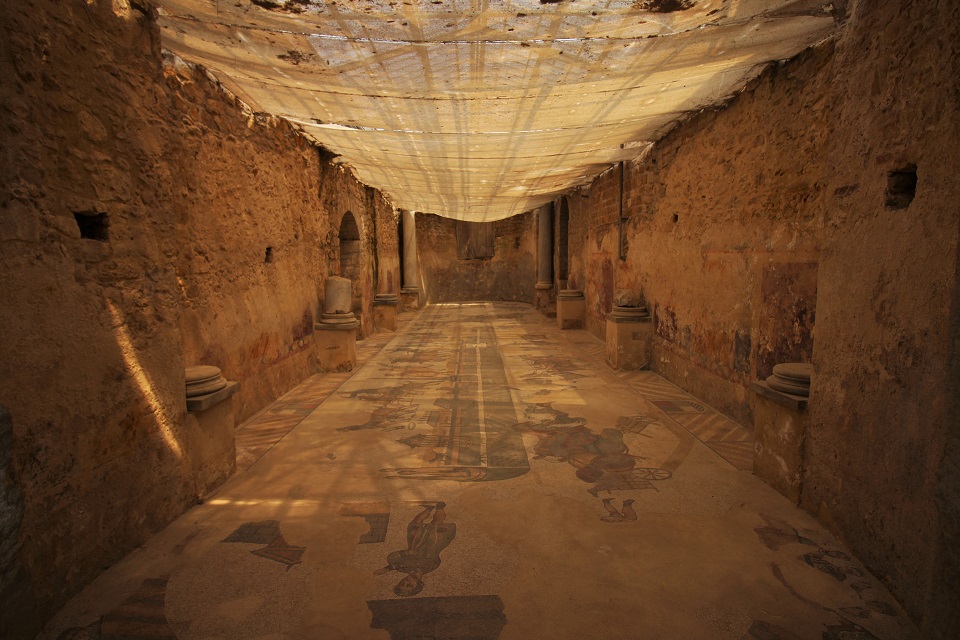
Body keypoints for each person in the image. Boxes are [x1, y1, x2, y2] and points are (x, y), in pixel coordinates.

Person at [375, 502, 456, 597]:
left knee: (416, 523)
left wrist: (387, 568)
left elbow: (392, 559)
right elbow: (434, 559)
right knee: (436, 524)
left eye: (401, 583)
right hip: (433, 542)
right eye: (409, 585)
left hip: (416, 542)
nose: (406, 582)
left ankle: (429, 509)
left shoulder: (403, 568)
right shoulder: (430, 567)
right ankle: (440, 507)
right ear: (419, 584)